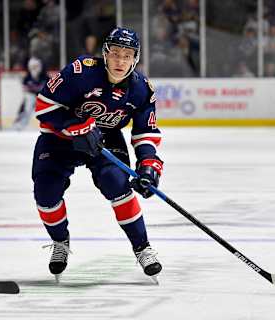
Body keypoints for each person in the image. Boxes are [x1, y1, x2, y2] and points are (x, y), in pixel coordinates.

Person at [32, 27, 163, 282]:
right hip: (60, 139)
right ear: (105, 54)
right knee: (45, 192)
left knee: (117, 184)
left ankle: (142, 247)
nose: (120, 61)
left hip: (105, 139)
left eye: (127, 55)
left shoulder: (141, 90)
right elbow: (43, 105)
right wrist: (74, 126)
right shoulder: (80, 72)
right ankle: (60, 241)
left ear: (135, 58)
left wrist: (148, 165)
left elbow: (146, 132)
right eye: (115, 54)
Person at [13, 57, 50, 130]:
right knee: (28, 104)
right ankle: (19, 124)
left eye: (36, 66)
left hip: (42, 97)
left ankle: (51, 125)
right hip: (31, 96)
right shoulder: (27, 78)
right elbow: (25, 88)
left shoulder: (45, 77)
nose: (35, 69)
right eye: (33, 67)